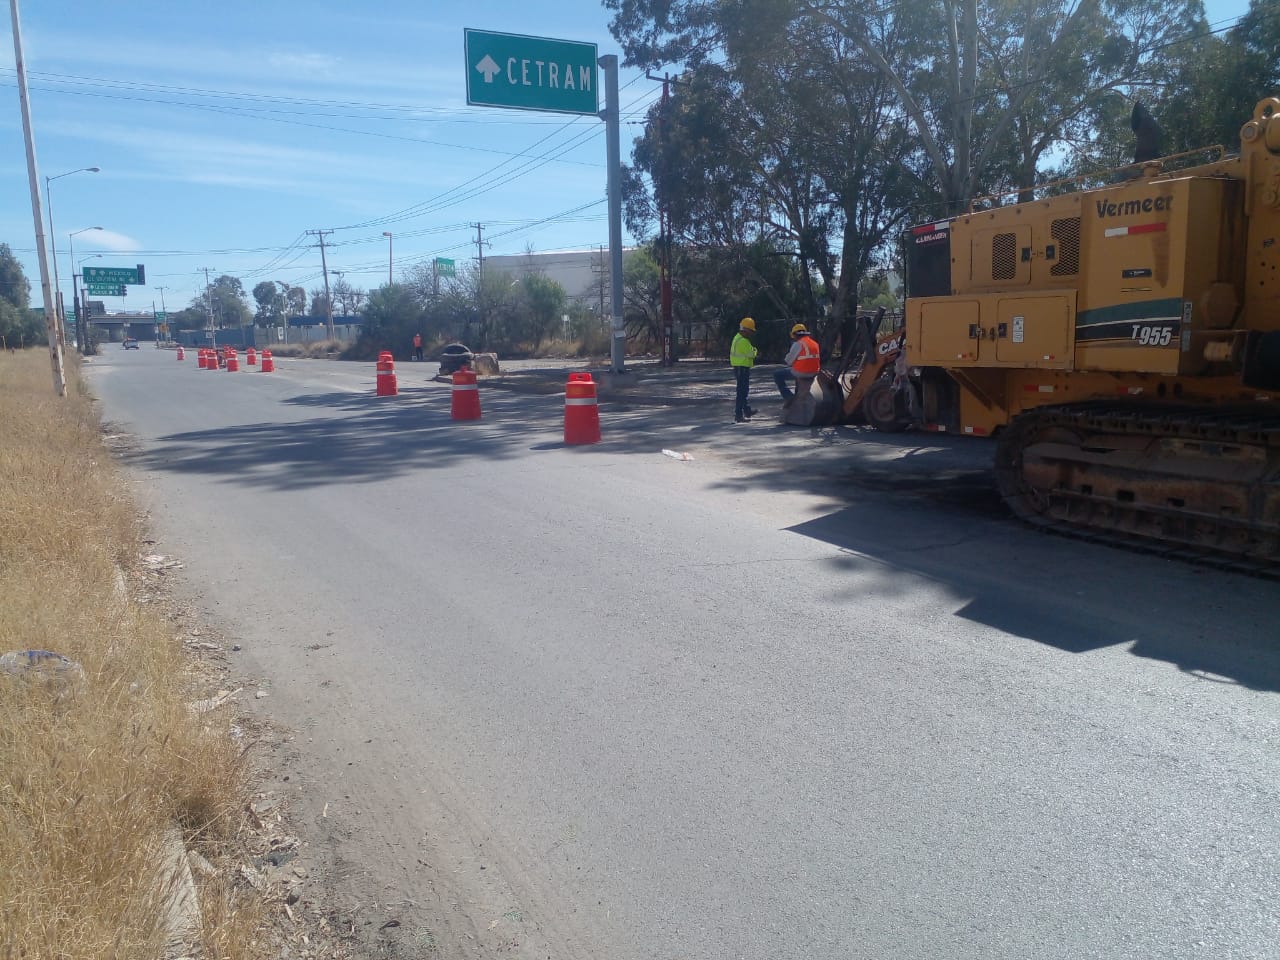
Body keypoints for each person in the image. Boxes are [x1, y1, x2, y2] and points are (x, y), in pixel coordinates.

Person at [774, 323, 821, 403]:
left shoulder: (798, 344)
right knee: (795, 369)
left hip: (802, 372)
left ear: (796, 334)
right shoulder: (815, 343)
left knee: (777, 374)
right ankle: (797, 393)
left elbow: (788, 361)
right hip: (814, 372)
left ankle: (789, 397)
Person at [730, 317, 759, 422]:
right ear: (745, 329)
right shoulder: (743, 341)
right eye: (750, 331)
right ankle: (739, 415)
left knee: (743, 391)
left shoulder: (737, 337)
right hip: (742, 367)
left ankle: (746, 410)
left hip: (739, 367)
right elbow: (752, 354)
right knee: (742, 391)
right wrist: (755, 350)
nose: (751, 333)